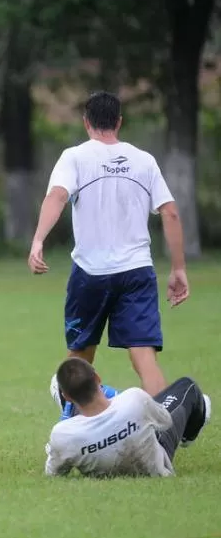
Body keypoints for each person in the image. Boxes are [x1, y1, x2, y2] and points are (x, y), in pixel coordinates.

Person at [28, 91, 189, 396]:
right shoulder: (144, 160)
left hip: (90, 272)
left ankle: (74, 429)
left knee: (79, 358)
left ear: (86, 121)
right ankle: (166, 431)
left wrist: (38, 240)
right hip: (137, 271)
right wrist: (178, 268)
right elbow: (170, 212)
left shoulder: (74, 157)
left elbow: (57, 196)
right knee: (144, 357)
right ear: (119, 122)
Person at [44, 357, 210, 478]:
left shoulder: (62, 434)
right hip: (157, 468)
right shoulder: (134, 398)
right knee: (187, 386)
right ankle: (188, 435)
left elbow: (53, 473)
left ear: (66, 397)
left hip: (80, 439)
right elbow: (165, 422)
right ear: (97, 378)